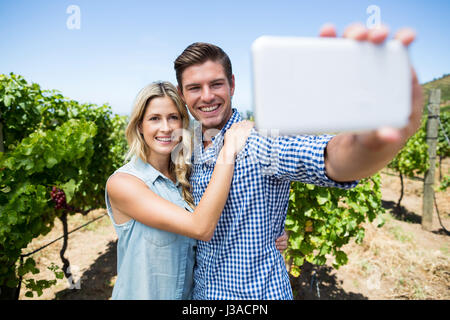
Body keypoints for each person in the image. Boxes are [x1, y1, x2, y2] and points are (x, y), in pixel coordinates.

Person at [173, 22, 423, 299]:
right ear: (182, 93)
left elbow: (328, 159)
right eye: (195, 87)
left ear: (232, 85)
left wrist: (368, 144)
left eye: (216, 84)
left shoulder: (259, 140)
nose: (206, 96)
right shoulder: (189, 147)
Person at [105, 81, 287, 300]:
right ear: (139, 126)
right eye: (154, 118)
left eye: (174, 117)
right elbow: (201, 227)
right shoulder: (124, 183)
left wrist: (270, 233)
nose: (166, 127)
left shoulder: (187, 177)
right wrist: (228, 151)